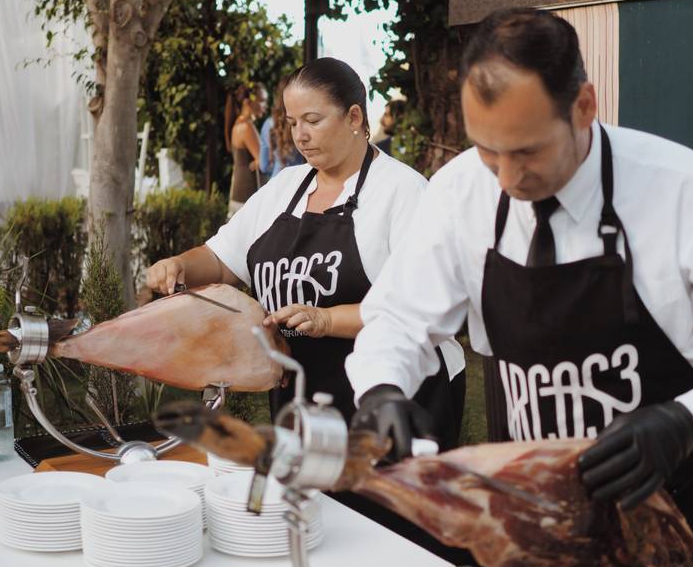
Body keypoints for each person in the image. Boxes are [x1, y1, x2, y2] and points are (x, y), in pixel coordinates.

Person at [347, 8, 693, 567]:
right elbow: (398, 317)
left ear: (584, 106)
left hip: (667, 518)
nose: (508, 180)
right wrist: (380, 390)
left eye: (528, 151)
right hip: (530, 513)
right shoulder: (458, 192)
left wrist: (686, 420)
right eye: (488, 151)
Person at [146, 57, 465, 441]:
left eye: (312, 121)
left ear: (353, 117)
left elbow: (420, 308)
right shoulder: (284, 188)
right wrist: (178, 264)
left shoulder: (402, 192)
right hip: (302, 402)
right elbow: (220, 259)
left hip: (395, 402)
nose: (300, 136)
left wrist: (327, 320)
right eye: (292, 123)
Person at [226, 83, 268, 216]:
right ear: (248, 102)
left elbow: (259, 160)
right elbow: (264, 162)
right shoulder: (246, 127)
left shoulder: (239, 123)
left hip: (240, 195)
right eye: (262, 101)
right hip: (246, 196)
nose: (265, 106)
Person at [259, 79, 305, 179]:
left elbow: (263, 166)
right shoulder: (304, 123)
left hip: (276, 183)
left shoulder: (268, 124)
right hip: (301, 180)